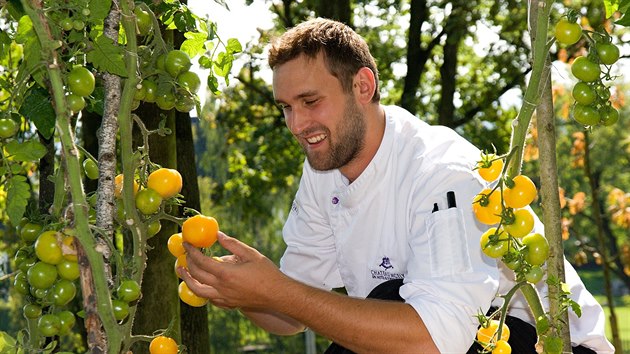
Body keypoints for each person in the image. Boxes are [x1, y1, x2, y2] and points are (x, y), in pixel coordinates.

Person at [178, 18, 615, 353]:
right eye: (286, 108)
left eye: (310, 102)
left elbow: (433, 339)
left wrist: (277, 290)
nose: (297, 124)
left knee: (384, 305)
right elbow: (292, 311)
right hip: (451, 335)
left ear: (363, 86)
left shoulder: (443, 171)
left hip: (549, 343)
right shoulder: (323, 169)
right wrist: (238, 290)